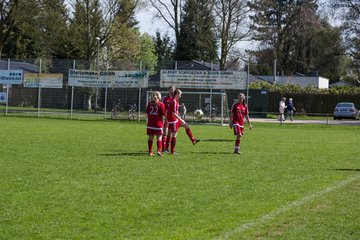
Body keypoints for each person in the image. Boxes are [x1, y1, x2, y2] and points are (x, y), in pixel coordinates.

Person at [166, 89, 200, 154]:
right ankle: (172, 151)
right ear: (177, 94)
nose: (181, 95)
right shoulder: (174, 101)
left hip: (173, 120)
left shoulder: (174, 101)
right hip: (173, 120)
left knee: (186, 125)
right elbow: (173, 113)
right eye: (180, 94)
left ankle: (193, 140)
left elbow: (172, 111)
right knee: (173, 135)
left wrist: (181, 108)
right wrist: (181, 119)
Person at [146, 91, 165, 156]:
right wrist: (163, 122)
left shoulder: (149, 103)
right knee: (159, 137)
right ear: (159, 96)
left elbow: (147, 113)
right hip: (158, 123)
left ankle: (150, 152)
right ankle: (159, 151)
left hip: (150, 124)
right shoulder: (161, 104)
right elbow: (162, 115)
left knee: (150, 138)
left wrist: (148, 121)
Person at [162, 85, 175, 152]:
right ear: (168, 90)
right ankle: (163, 148)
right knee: (165, 132)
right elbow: (162, 107)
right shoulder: (165, 98)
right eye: (170, 89)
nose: (171, 91)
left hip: (172, 119)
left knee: (170, 133)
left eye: (172, 89)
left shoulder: (174, 99)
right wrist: (163, 116)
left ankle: (167, 148)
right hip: (166, 118)